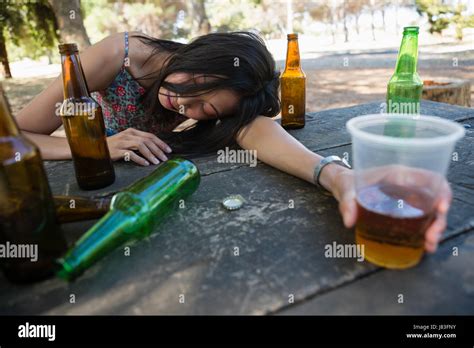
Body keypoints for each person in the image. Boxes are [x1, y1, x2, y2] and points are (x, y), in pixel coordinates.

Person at [16, 31, 450, 253]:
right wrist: (97, 146)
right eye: (197, 83)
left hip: (130, 188)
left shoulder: (227, 101)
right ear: (206, 54)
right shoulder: (120, 54)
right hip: (84, 186)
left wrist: (336, 176)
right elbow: (14, 134)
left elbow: (259, 132)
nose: (183, 102)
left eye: (205, 110)